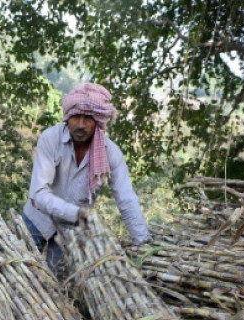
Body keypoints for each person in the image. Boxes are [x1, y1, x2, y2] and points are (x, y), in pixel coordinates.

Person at [21, 82, 151, 276]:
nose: (81, 125)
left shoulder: (110, 153)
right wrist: (77, 214)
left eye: (88, 118)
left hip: (69, 233)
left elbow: (126, 199)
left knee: (54, 282)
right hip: (37, 218)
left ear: (98, 121)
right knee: (18, 269)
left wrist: (143, 244)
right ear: (67, 116)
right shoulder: (50, 139)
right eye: (76, 117)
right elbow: (39, 193)